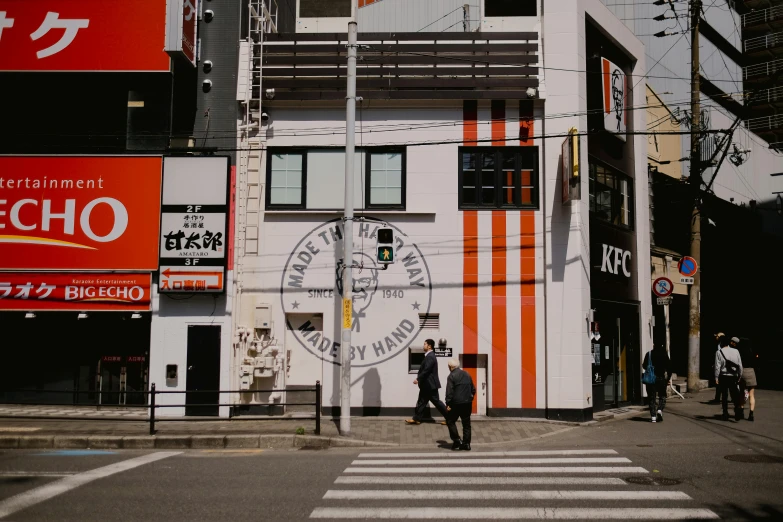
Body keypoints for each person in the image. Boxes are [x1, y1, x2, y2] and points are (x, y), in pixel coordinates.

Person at [406, 339, 448, 425]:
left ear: (429, 346)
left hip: (429, 384)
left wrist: (418, 379)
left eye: (424, 344)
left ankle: (450, 418)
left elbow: (426, 370)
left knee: (436, 402)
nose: (423, 346)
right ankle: (417, 418)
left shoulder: (430, 356)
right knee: (422, 401)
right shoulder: (429, 356)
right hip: (427, 384)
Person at [444, 358, 476, 451]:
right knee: (466, 424)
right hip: (467, 403)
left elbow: (449, 392)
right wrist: (470, 397)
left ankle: (457, 440)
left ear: (450, 366)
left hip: (456, 403)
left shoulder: (451, 376)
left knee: (450, 421)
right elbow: (473, 389)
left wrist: (448, 403)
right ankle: (467, 444)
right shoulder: (467, 374)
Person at [715, 336, 743, 421]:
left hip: (723, 376)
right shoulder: (736, 351)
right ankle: (737, 409)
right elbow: (740, 364)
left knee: (724, 395)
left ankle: (725, 413)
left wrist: (716, 377)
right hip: (733, 376)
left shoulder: (719, 352)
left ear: (721, 343)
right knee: (734, 394)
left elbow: (717, 366)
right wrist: (740, 375)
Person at [642, 345, 671, 423]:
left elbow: (644, 365)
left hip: (651, 379)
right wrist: (668, 379)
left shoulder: (649, 354)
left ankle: (653, 417)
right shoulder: (664, 354)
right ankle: (659, 409)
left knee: (651, 398)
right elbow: (669, 367)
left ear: (654, 345)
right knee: (662, 396)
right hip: (661, 379)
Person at [736, 338, 757, 422]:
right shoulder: (751, 353)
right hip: (751, 372)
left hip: (743, 372)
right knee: (751, 394)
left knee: (742, 393)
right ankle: (751, 414)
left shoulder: (740, 353)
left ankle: (741, 411)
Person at [710, 332, 727, 404]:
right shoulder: (718, 344)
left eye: (717, 336)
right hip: (721, 366)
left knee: (721, 384)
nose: (716, 337)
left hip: (723, 367)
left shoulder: (722, 346)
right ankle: (718, 398)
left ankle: (719, 399)